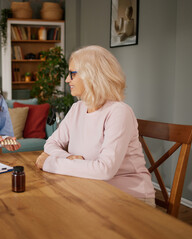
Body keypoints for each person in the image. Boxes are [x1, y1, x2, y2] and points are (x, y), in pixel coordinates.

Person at [35, 45, 155, 206]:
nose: (67, 80)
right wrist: (68, 158)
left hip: (128, 197)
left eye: (72, 74)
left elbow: (105, 170)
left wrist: (50, 163)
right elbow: (51, 143)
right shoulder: (77, 108)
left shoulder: (119, 112)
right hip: (90, 189)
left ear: (91, 75)